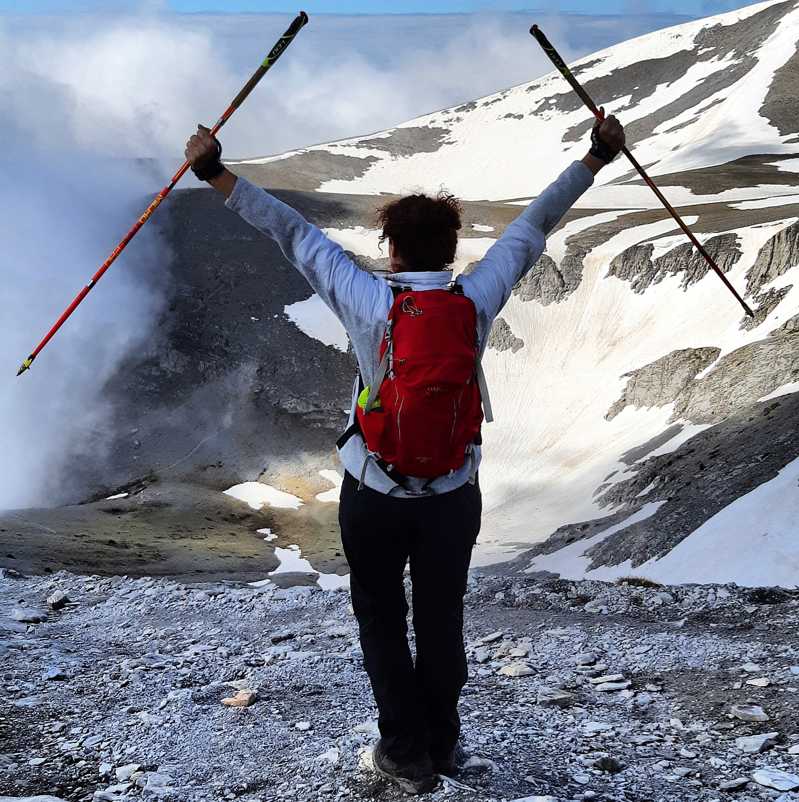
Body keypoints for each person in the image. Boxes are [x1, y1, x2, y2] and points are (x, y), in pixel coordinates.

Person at [185, 109, 625, 795]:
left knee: (382, 619)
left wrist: (214, 173)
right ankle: (443, 744)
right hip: (452, 493)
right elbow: (533, 228)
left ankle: (403, 751)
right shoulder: (474, 301)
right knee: (442, 617)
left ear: (390, 249)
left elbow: (293, 235)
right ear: (451, 251)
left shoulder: (365, 300)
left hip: (374, 489)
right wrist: (595, 158)